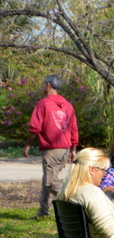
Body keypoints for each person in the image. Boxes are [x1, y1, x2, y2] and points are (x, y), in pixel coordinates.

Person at [23, 75, 79, 219]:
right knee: (48, 179)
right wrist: (73, 149)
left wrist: (28, 144)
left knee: (50, 182)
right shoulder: (68, 105)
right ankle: (43, 211)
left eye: (43, 84)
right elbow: (73, 128)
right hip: (65, 149)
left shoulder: (44, 103)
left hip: (52, 149)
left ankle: (75, 202)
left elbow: (34, 127)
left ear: (48, 85)